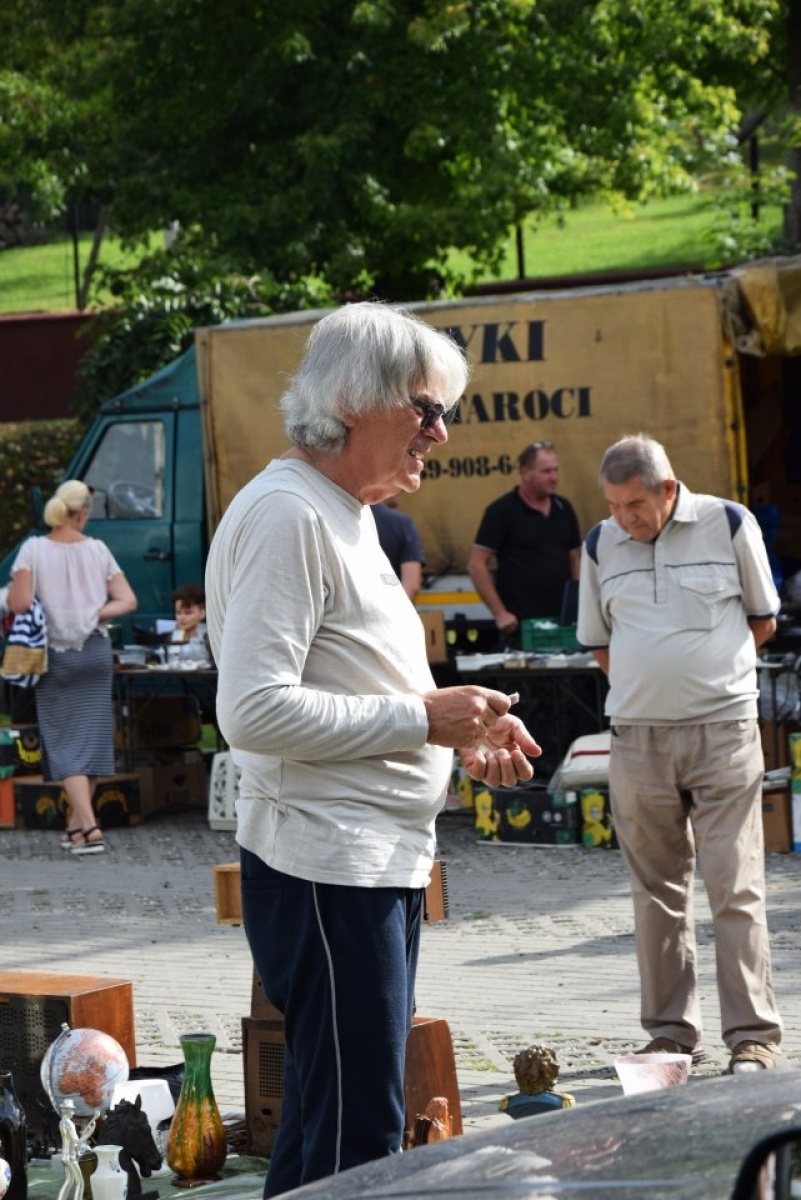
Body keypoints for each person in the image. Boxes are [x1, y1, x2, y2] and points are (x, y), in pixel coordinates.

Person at [205, 300, 541, 1196]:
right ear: (353, 402)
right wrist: (424, 722)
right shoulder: (290, 515)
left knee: (329, 1122)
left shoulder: (341, 510)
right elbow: (253, 713)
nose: (439, 431)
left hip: (363, 859)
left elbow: (363, 690)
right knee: (359, 1137)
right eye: (426, 409)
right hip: (327, 864)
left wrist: (460, 731)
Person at [577, 433, 783, 1074]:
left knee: (735, 885)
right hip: (638, 739)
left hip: (723, 734)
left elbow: (762, 620)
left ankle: (752, 1038)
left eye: (634, 504)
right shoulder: (599, 543)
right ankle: (669, 1035)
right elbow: (599, 642)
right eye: (613, 505)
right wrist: (651, 689)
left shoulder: (728, 523)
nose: (623, 519)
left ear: (669, 490)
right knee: (655, 892)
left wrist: (705, 683)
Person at [6, 480, 137, 855]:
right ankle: (76, 828)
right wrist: (92, 611)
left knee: (64, 745)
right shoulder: (98, 550)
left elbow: (18, 603)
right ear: (82, 513)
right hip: (94, 652)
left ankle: (91, 827)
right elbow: (127, 600)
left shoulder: (32, 550)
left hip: (54, 656)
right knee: (90, 743)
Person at [468, 440, 581, 641]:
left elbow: (575, 560)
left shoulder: (564, 508)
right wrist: (500, 613)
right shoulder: (501, 511)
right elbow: (476, 564)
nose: (554, 477)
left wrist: (577, 607)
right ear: (525, 473)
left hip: (563, 625)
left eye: (556, 470)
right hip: (521, 628)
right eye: (546, 471)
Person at [371, 492, 425, 601]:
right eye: (397, 480)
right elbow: (412, 585)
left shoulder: (343, 519)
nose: (403, 490)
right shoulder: (402, 524)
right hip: (391, 610)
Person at [169, 583, 212, 665]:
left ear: (202, 613)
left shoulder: (210, 637)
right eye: (178, 613)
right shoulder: (172, 636)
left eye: (188, 613)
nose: (182, 618)